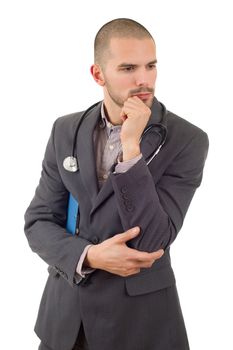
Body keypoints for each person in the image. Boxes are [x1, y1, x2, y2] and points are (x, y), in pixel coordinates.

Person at [24, 18, 209, 350]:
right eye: (128, 68)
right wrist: (90, 255)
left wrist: (132, 150)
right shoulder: (64, 130)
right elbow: (38, 223)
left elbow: (155, 240)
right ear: (98, 75)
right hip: (65, 323)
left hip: (141, 326)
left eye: (151, 66)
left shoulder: (188, 140)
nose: (143, 79)